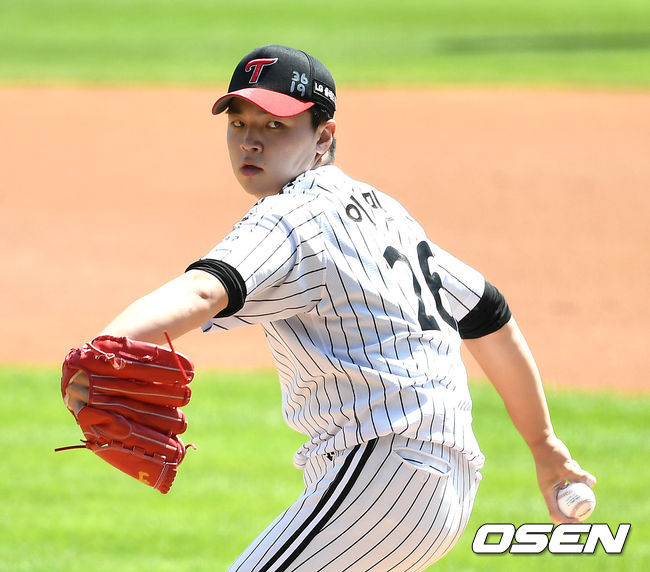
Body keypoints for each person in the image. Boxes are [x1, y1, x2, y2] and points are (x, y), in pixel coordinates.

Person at [64, 44, 596, 570]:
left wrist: (99, 351)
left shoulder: (290, 217)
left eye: (275, 126)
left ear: (323, 136)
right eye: (239, 122)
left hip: (383, 472)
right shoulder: (383, 212)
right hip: (441, 485)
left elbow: (205, 290)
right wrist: (545, 447)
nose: (250, 140)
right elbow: (487, 315)